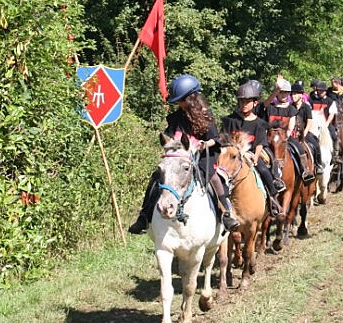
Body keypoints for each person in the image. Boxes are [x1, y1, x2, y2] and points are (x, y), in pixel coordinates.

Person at [129, 74, 239, 234]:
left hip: (203, 156)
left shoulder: (206, 115)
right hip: (180, 158)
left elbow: (216, 139)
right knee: (156, 178)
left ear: (191, 98)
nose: (178, 104)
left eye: (180, 100)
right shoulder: (175, 118)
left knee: (214, 179)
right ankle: (144, 217)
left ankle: (226, 213)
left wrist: (203, 145)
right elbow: (171, 137)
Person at [221, 80, 284, 216]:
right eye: (241, 101)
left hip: (250, 154)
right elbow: (224, 139)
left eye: (247, 102)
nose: (244, 105)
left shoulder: (259, 123)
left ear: (255, 103)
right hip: (232, 155)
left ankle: (273, 197)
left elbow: (260, 142)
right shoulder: (230, 121)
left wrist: (256, 155)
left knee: (263, 169)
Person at [290, 81, 322, 178]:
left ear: (301, 95)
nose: (293, 96)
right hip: (292, 132)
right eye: (292, 94)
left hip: (304, 131)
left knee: (315, 144)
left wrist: (305, 133)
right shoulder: (290, 107)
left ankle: (318, 164)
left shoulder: (306, 107)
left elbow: (309, 122)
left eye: (295, 94)